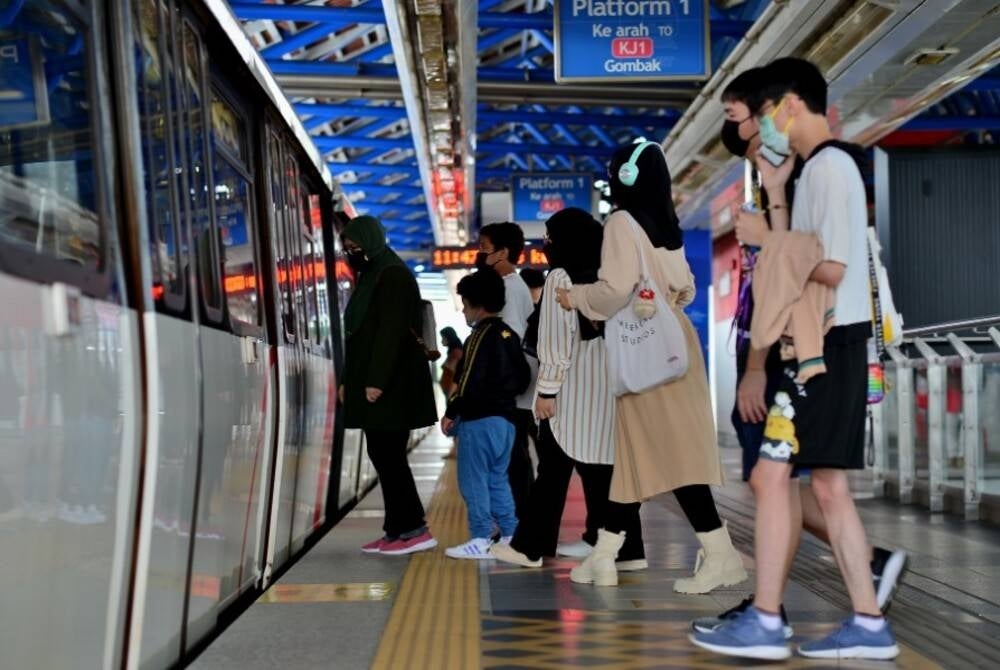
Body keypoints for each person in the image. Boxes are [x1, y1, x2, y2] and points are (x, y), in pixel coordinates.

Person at [690, 58, 900, 661]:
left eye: (762, 114)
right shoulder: (813, 174)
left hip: (823, 349)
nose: (760, 128)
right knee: (824, 487)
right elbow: (803, 255)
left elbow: (826, 267)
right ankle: (865, 622)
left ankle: (766, 619)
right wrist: (778, 199)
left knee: (771, 476)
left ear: (788, 104)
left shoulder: (831, 168)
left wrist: (764, 239)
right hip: (821, 346)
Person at [556, 142, 745, 593]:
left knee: (670, 459)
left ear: (624, 177)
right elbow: (685, 291)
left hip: (643, 357)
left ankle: (722, 557)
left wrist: (576, 298)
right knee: (637, 457)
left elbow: (614, 288)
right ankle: (604, 557)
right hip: (674, 348)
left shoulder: (621, 222)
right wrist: (656, 302)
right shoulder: (669, 227)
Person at [491, 208, 645, 576]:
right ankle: (624, 548)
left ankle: (530, 548)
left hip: (571, 394)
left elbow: (557, 344)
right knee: (603, 471)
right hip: (607, 390)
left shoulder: (561, 275)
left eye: (550, 236)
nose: (546, 243)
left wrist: (546, 392)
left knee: (552, 474)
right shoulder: (611, 275)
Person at [341, 215, 438, 556]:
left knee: (390, 457)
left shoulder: (392, 275)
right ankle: (395, 530)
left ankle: (414, 528)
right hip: (378, 383)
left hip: (390, 385)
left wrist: (375, 382)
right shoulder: (373, 274)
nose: (352, 253)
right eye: (348, 248)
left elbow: (391, 332)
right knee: (383, 455)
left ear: (371, 242)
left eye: (356, 247)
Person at [442, 270, 531, 559]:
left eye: (465, 305)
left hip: (479, 421)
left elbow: (467, 378)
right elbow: (523, 377)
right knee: (497, 479)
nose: (465, 312)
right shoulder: (510, 334)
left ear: (475, 305)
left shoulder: (480, 335)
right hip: (506, 421)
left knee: (473, 481)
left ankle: (480, 538)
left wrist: (452, 410)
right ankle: (509, 533)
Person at [478, 223, 536, 520]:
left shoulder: (509, 288)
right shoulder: (513, 286)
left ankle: (521, 524)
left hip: (511, 389)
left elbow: (508, 340)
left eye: (484, 248)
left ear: (502, 252)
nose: (480, 254)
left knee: (512, 457)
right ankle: (520, 520)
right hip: (513, 388)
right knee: (514, 455)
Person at [438, 326, 464, 397]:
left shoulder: (456, 353)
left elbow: (455, 375)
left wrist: (450, 394)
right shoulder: (453, 352)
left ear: (449, 338)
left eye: (443, 338)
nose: (441, 341)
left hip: (452, 392)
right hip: (450, 392)